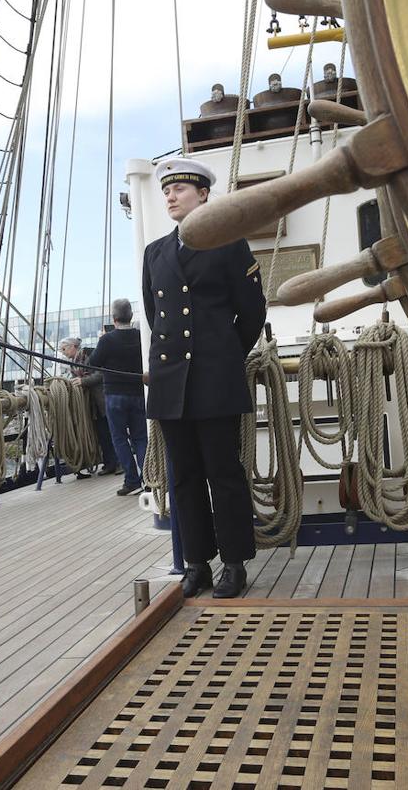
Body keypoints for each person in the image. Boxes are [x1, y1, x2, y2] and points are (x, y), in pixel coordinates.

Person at [142, 158, 266, 599]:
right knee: (184, 476)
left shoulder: (229, 243)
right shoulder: (155, 253)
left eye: (179, 190)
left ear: (203, 195)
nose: (171, 197)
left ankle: (234, 563)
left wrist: (225, 355)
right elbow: (156, 316)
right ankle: (197, 563)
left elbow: (252, 311)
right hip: (171, 382)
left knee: (223, 472)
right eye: (167, 191)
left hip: (214, 379)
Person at [88, 299, 147, 496]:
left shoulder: (107, 340)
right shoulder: (141, 337)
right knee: (140, 437)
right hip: (139, 393)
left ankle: (131, 481)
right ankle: (148, 478)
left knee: (119, 438)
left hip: (114, 395)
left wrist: (103, 340)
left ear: (114, 319)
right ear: (131, 317)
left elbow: (93, 363)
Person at [61, 336, 120, 480]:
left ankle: (120, 464)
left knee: (113, 434)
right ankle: (109, 464)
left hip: (103, 399)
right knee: (103, 435)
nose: (62, 352)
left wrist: (83, 381)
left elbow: (101, 374)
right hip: (93, 405)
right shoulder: (74, 363)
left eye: (64, 349)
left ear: (73, 346)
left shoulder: (89, 355)